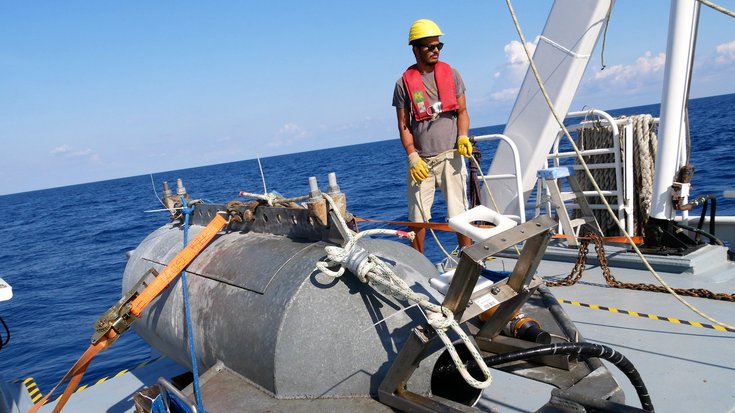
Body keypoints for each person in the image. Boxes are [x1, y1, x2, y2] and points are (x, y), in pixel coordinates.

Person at [392, 18, 473, 254]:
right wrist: (412, 156)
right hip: (422, 162)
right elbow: (403, 125)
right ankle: (418, 265)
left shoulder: (453, 74)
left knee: (460, 215)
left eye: (438, 46)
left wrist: (463, 137)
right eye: (430, 46)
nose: (435, 50)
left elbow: (463, 111)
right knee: (417, 220)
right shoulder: (402, 85)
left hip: (451, 156)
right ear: (416, 49)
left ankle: (468, 262)